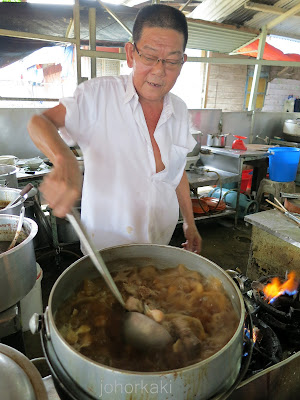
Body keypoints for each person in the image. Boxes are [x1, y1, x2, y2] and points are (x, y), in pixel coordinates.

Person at [27, 4, 202, 254]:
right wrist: (63, 159)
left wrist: (189, 222)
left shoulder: (180, 110)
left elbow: (176, 172)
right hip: (105, 253)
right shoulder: (98, 96)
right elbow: (39, 123)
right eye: (150, 56)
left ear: (182, 61)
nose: (159, 71)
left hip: (159, 248)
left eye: (172, 61)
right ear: (130, 53)